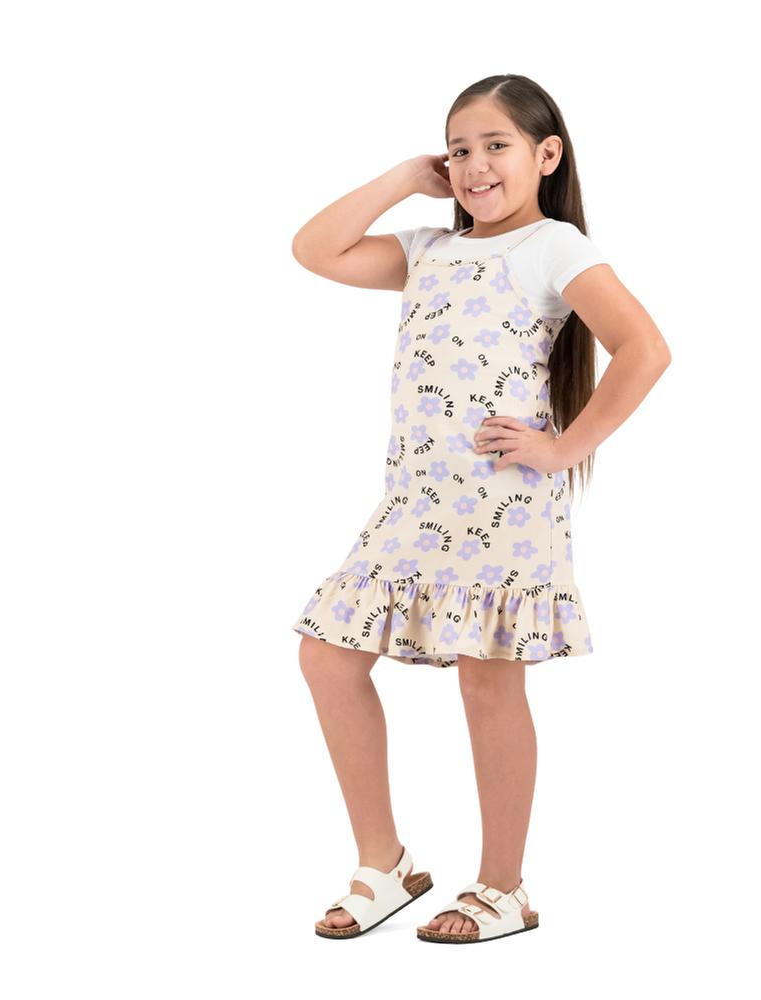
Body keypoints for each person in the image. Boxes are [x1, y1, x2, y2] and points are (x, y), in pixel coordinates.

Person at [290, 74, 671, 943]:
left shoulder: (553, 246)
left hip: (501, 509)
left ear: (547, 154)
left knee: (488, 683)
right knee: (328, 657)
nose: (474, 165)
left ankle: (503, 888)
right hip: (412, 506)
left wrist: (563, 448)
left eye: (496, 145)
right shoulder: (428, 249)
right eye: (459, 149)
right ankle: (384, 862)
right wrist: (404, 177)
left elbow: (644, 348)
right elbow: (314, 249)